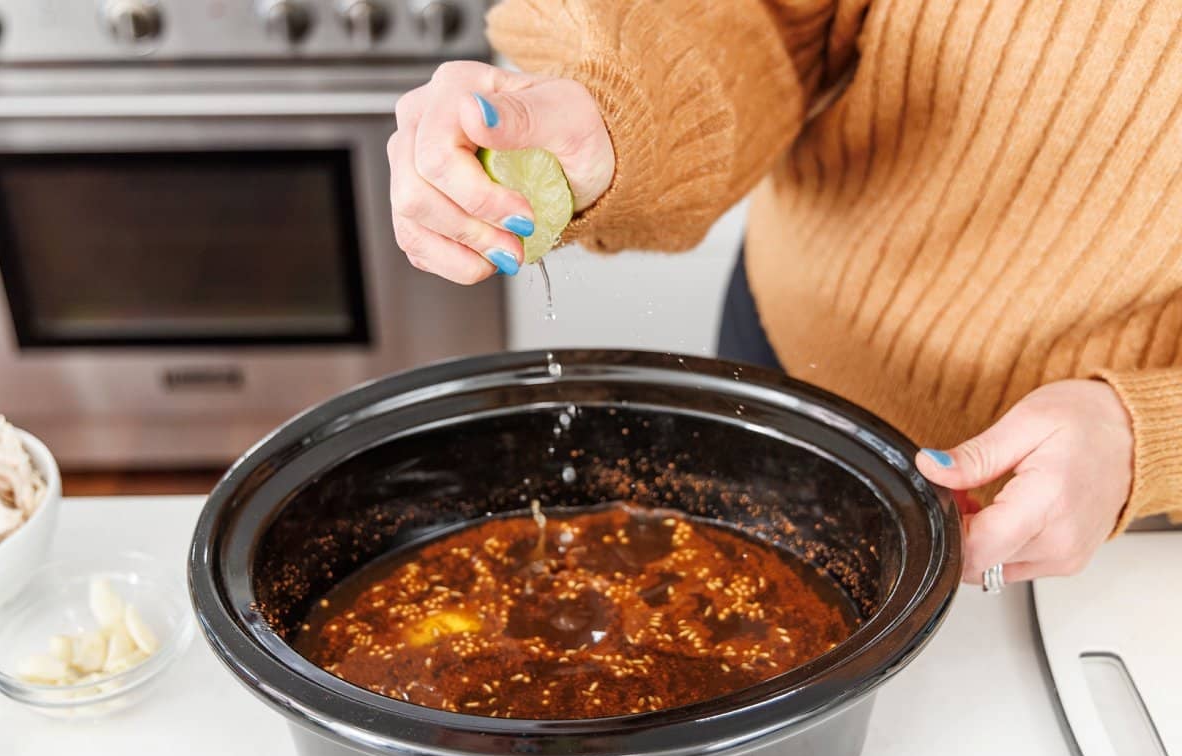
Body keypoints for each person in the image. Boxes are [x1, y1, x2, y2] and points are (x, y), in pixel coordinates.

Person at [386, 1, 1182, 588]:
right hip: (792, 358)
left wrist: (1150, 438)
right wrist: (616, 111)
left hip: (1114, 515)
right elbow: (766, 21)